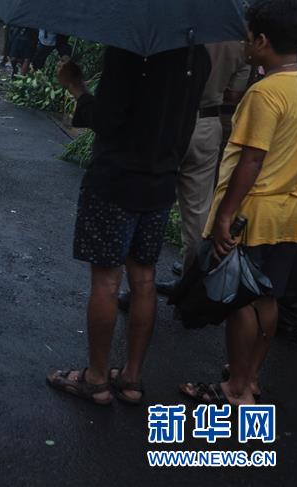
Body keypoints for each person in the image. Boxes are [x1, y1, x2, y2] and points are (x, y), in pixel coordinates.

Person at [46, 44, 211, 405]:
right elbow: (185, 126)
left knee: (107, 281)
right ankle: (132, 380)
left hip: (116, 182)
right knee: (144, 279)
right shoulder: (197, 56)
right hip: (160, 182)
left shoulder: (131, 52)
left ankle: (97, 379)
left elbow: (106, 119)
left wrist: (76, 87)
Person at [180, 0, 297, 405]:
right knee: (267, 295)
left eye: (249, 38)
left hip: (253, 213)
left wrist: (225, 215)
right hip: (289, 214)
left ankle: (234, 390)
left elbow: (251, 160)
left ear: (264, 41)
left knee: (239, 300)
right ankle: (249, 378)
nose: (245, 45)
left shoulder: (265, 93)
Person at [158, 41, 250, 293]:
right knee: (199, 213)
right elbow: (234, 94)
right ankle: (188, 287)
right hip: (208, 124)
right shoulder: (238, 39)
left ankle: (140, 282)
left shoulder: (182, 26)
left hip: (169, 119)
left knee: (152, 202)